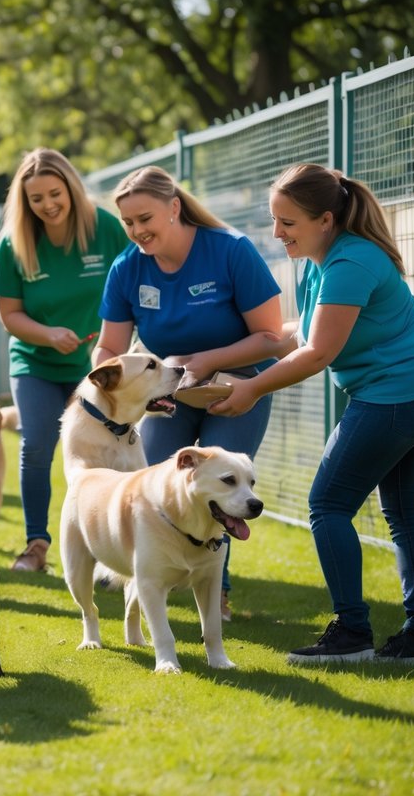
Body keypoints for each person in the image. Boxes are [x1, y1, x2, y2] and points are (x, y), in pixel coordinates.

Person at [212, 163, 414, 665]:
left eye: (288, 223)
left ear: (325, 219)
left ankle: (352, 634)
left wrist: (252, 389)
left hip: (401, 395)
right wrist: (209, 362)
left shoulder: (350, 263)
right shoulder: (321, 259)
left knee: (327, 505)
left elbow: (318, 353)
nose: (277, 234)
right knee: (406, 511)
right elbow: (292, 337)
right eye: (274, 220)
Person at [94, 166, 283, 619]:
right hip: (167, 395)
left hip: (238, 385)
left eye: (145, 218)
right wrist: (100, 377)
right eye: (128, 223)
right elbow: (109, 346)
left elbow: (272, 336)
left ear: (174, 207)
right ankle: (148, 576)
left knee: (223, 487)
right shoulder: (127, 268)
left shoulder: (231, 250)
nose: (137, 231)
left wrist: (209, 361)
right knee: (156, 485)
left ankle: (217, 591)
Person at [0, 148, 128, 572]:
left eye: (55, 193)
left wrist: (113, 343)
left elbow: (133, 283)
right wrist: (48, 334)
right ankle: (36, 545)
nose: (47, 205)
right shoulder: (14, 243)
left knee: (110, 450)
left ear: (70, 187)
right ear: (24, 202)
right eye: (36, 198)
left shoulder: (105, 228)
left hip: (98, 365)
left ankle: (110, 550)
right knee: (37, 446)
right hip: (35, 362)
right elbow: (9, 315)